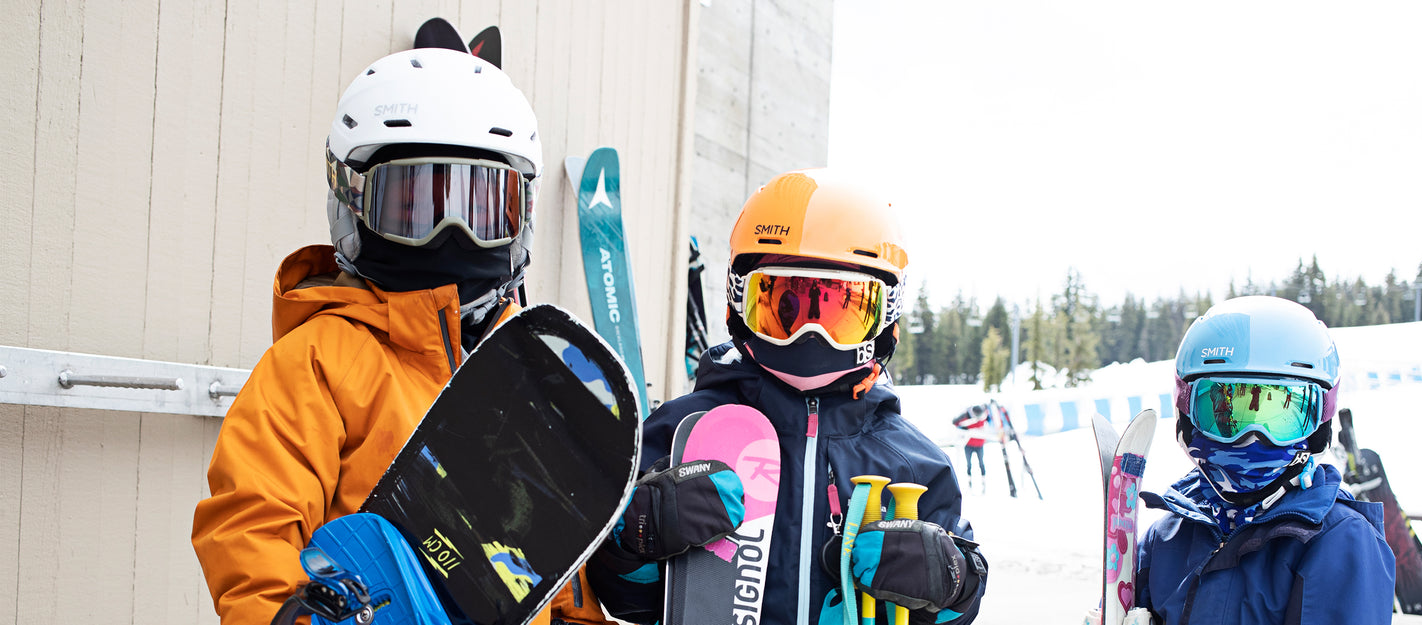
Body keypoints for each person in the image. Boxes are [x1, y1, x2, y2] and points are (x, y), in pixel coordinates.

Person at [190, 46, 609, 625]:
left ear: (522, 214)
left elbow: (557, 588)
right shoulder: (316, 364)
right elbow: (250, 527)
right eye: (416, 206)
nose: (452, 234)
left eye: (483, 207)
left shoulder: (531, 376)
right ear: (353, 202)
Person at [585, 169, 989, 625]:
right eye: (784, 305)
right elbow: (624, 600)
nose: (810, 334)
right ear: (740, 302)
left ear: (884, 317)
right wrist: (635, 538)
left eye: (842, 309)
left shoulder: (914, 465)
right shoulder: (682, 433)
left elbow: (956, 610)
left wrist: (951, 579)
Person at [1132, 296, 1395, 624]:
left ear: (1318, 424)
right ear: (1187, 414)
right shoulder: (1167, 537)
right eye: (1230, 414)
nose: (1254, 437)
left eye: (1281, 413)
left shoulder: (1340, 542)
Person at [953, 404, 990, 491]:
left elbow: (989, 418)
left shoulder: (984, 416)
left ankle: (983, 482)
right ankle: (970, 483)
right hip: (968, 445)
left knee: (981, 463)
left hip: (979, 445)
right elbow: (955, 423)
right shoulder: (966, 417)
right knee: (969, 464)